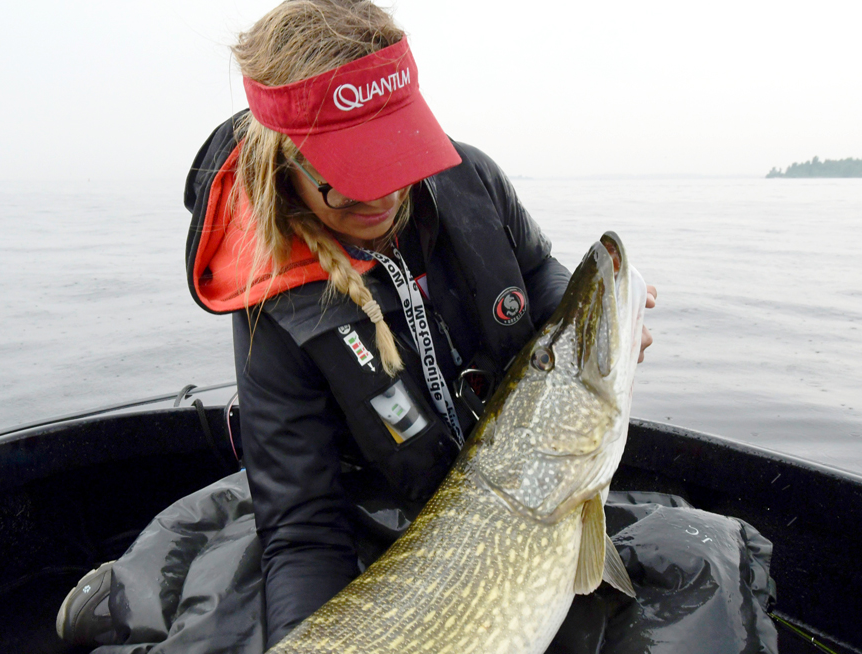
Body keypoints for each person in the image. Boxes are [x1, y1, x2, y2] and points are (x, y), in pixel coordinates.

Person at [56, 0, 655, 648]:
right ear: (286, 163)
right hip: (368, 504)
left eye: (395, 163)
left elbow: (539, 273)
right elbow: (304, 526)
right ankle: (131, 590)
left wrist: (589, 335)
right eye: (346, 181)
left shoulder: (470, 176)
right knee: (233, 617)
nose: (382, 198)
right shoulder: (273, 311)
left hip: (504, 475)